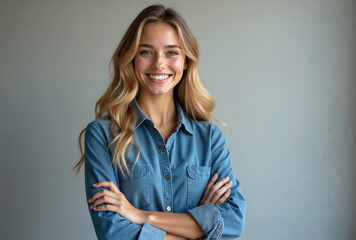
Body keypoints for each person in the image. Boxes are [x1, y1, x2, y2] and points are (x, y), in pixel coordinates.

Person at [73, 4, 246, 240]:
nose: (159, 64)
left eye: (172, 52)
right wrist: (201, 225)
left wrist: (141, 215)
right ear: (132, 58)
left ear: (186, 61)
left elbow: (233, 221)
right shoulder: (103, 135)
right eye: (146, 52)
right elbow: (113, 233)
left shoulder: (210, 138)